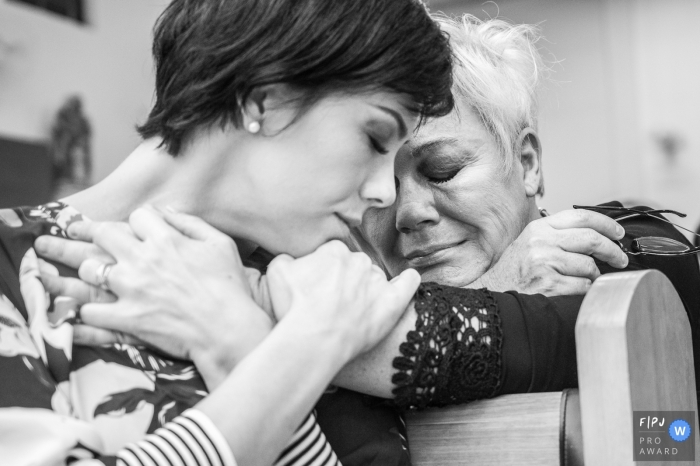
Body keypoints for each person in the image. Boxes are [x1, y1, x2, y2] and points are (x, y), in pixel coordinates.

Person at [38, 14, 700, 466]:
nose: (401, 205)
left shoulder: (634, 242)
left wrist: (257, 314)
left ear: (526, 163)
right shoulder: (289, 287)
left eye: (441, 169)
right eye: (375, 153)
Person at [0, 0, 455, 465]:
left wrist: (245, 343)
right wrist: (309, 348)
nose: (385, 193)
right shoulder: (9, 271)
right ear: (263, 98)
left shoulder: (308, 290)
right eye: (375, 139)